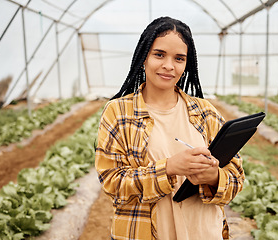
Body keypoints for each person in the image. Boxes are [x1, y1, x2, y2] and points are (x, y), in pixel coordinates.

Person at [95, 16, 245, 240]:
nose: (168, 66)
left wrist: (213, 176)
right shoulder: (118, 113)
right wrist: (169, 168)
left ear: (187, 64)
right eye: (159, 54)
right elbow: (113, 183)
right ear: (143, 56)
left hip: (204, 232)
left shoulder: (206, 113)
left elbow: (237, 179)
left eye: (179, 58)